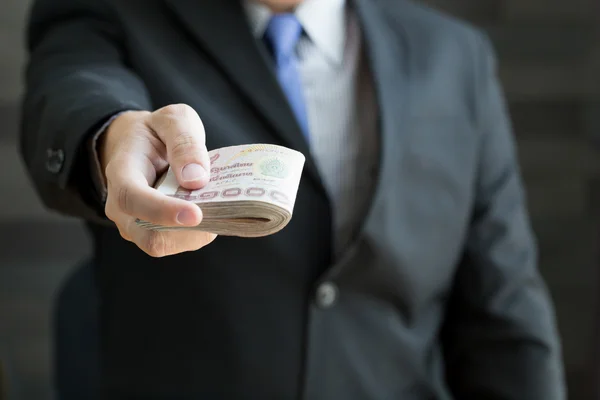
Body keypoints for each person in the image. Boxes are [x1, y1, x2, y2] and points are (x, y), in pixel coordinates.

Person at [20, 0, 566, 398]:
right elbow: (74, 88)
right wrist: (110, 135)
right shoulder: (117, 13)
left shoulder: (454, 58)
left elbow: (503, 309)